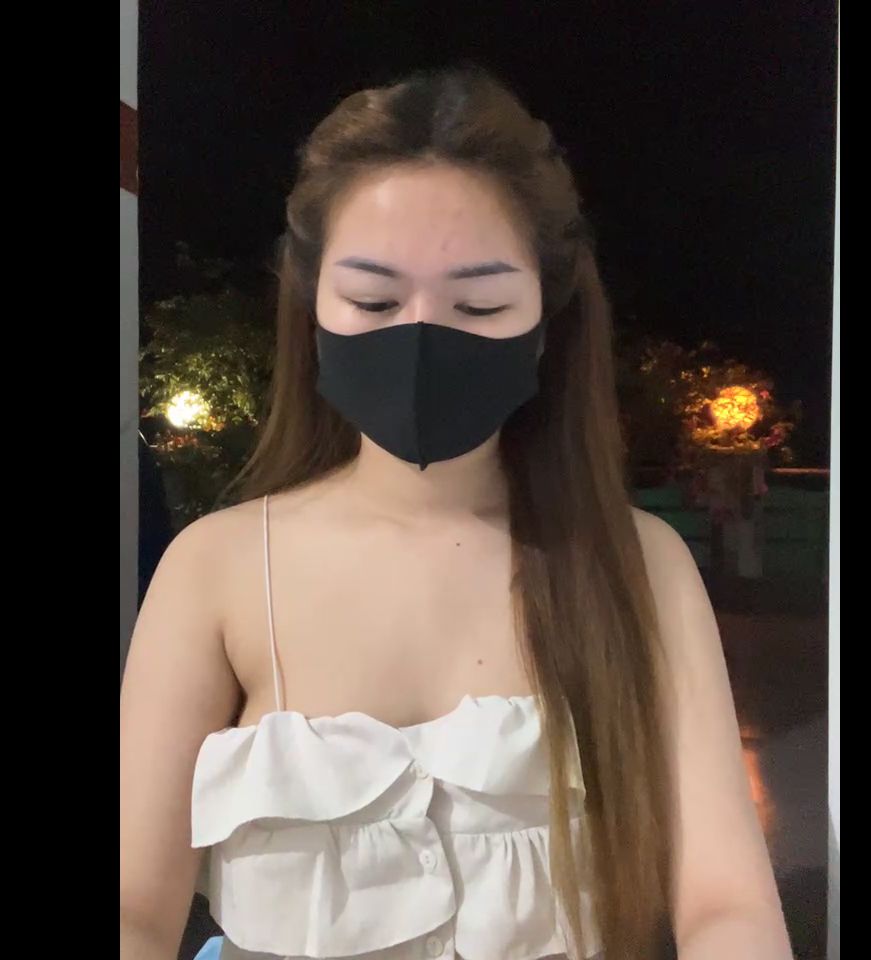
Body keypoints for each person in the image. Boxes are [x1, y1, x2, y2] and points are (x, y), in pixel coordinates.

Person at [120, 63, 791, 960]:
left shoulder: (634, 563)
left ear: (546, 320)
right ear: (312, 305)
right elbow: (133, 904)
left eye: (478, 304)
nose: (422, 339)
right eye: (373, 300)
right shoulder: (220, 566)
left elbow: (726, 904)